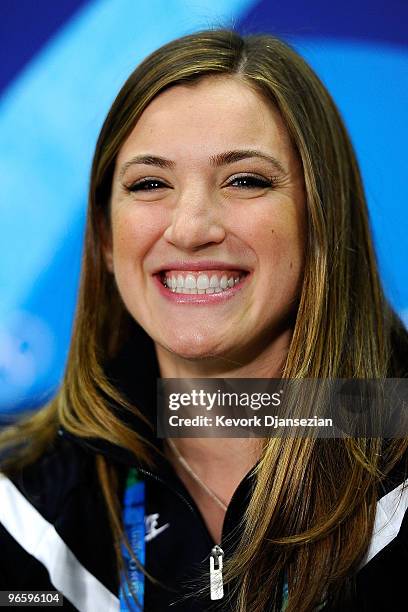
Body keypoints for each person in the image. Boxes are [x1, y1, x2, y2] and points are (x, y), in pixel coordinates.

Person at [0, 29, 407, 612]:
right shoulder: (22, 509)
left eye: (245, 180)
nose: (190, 228)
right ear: (107, 240)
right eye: (149, 184)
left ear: (323, 220)